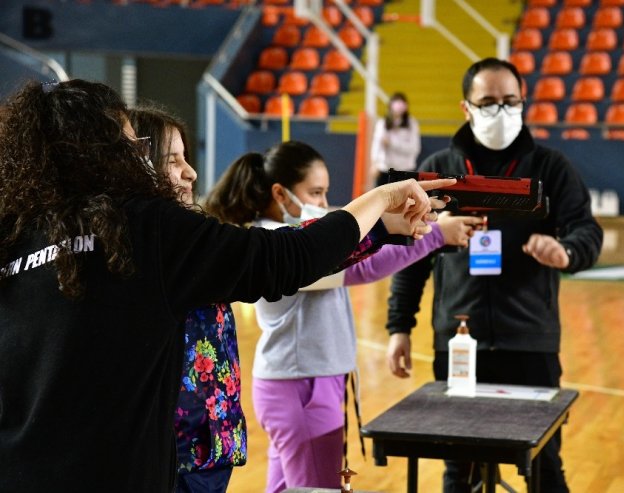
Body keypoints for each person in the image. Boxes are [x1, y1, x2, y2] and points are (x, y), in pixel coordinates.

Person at [0, 79, 454, 493]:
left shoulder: (15, 237)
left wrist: (376, 226)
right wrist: (377, 199)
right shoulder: (145, 228)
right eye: (129, 144)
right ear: (103, 151)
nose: (188, 173)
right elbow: (286, 258)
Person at [204, 141, 483, 493]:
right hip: (302, 387)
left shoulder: (287, 238)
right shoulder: (279, 242)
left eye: (325, 193)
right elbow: (365, 267)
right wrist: (437, 235)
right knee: (316, 490)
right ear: (280, 193)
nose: (322, 203)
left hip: (302, 383)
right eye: (315, 192)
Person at [384, 58, 604, 493]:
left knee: (543, 463)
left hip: (530, 341)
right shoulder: (438, 169)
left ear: (523, 102)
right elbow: (410, 256)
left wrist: (567, 251)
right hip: (459, 342)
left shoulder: (552, 168)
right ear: (466, 108)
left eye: (510, 101)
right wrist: (398, 327)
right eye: (488, 102)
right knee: (458, 467)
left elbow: (587, 231)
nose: (500, 111)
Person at [129, 105, 243, 493]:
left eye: (186, 158)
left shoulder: (193, 236)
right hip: (172, 455)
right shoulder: (145, 248)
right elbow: (288, 254)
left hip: (211, 446)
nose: (190, 172)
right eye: (171, 160)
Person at [370, 91, 421, 188]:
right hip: (385, 170)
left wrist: (392, 143)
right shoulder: (382, 123)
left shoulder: (412, 124)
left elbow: (414, 148)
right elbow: (377, 145)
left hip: (405, 171)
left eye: (401, 103)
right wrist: (374, 164)